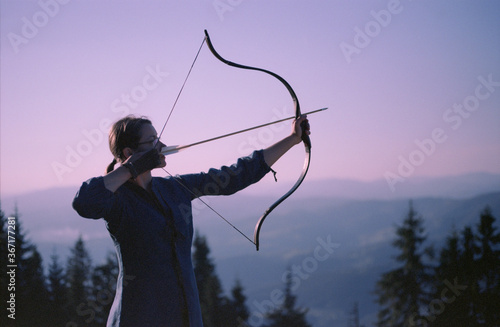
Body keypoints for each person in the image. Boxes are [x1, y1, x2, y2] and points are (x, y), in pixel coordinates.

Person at [72, 114, 310, 327]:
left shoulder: (174, 188)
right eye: (152, 142)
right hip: (140, 315)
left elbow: (234, 176)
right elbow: (84, 202)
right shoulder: (119, 199)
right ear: (128, 153)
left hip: (185, 314)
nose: (161, 146)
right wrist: (131, 169)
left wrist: (292, 139)